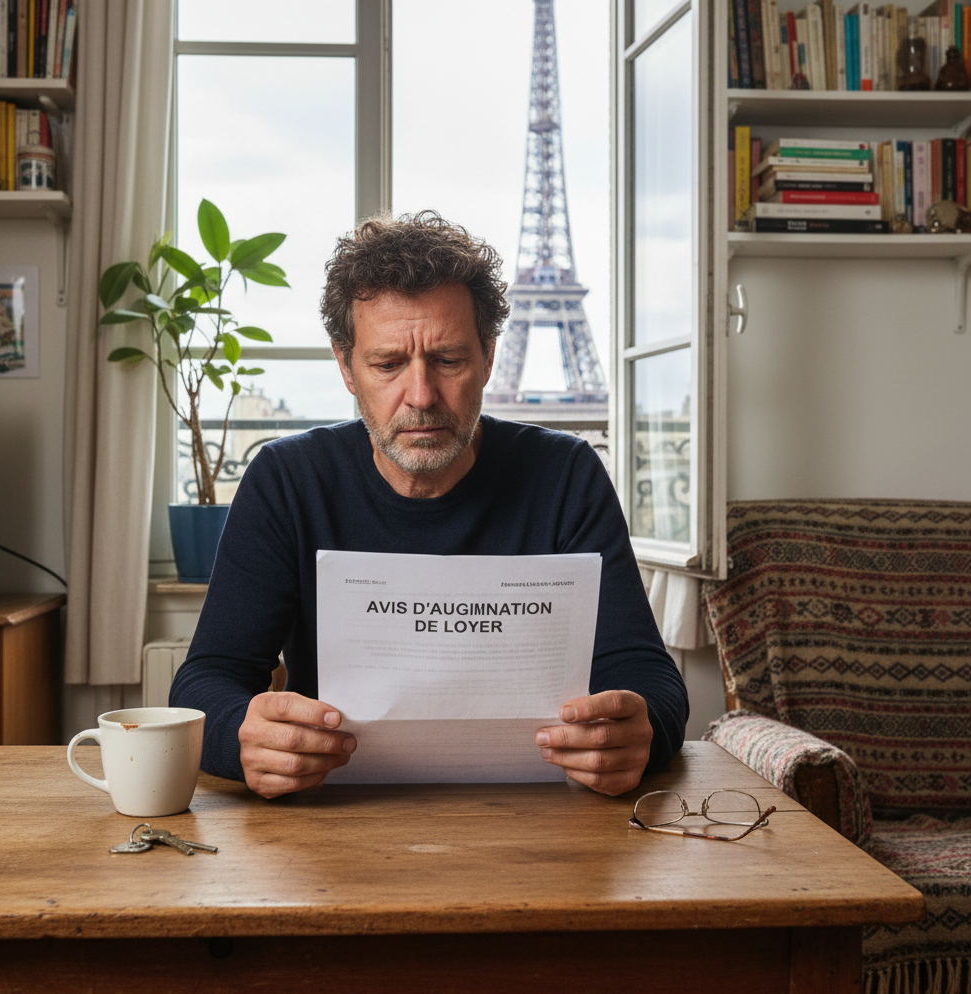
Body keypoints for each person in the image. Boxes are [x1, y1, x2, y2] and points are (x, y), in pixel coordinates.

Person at [169, 211, 688, 799]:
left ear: (488, 357)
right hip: (335, 815)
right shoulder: (286, 479)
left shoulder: (566, 474)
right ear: (346, 367)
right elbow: (205, 681)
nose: (420, 396)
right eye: (388, 364)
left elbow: (648, 676)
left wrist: (639, 732)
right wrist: (242, 737)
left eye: (447, 361)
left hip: (538, 815)